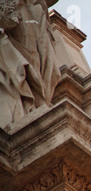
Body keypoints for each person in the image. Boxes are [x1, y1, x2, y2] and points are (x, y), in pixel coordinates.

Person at [0, 0, 60, 130]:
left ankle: (37, 105)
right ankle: (27, 108)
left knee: (52, 71)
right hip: (14, 13)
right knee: (22, 68)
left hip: (34, 10)